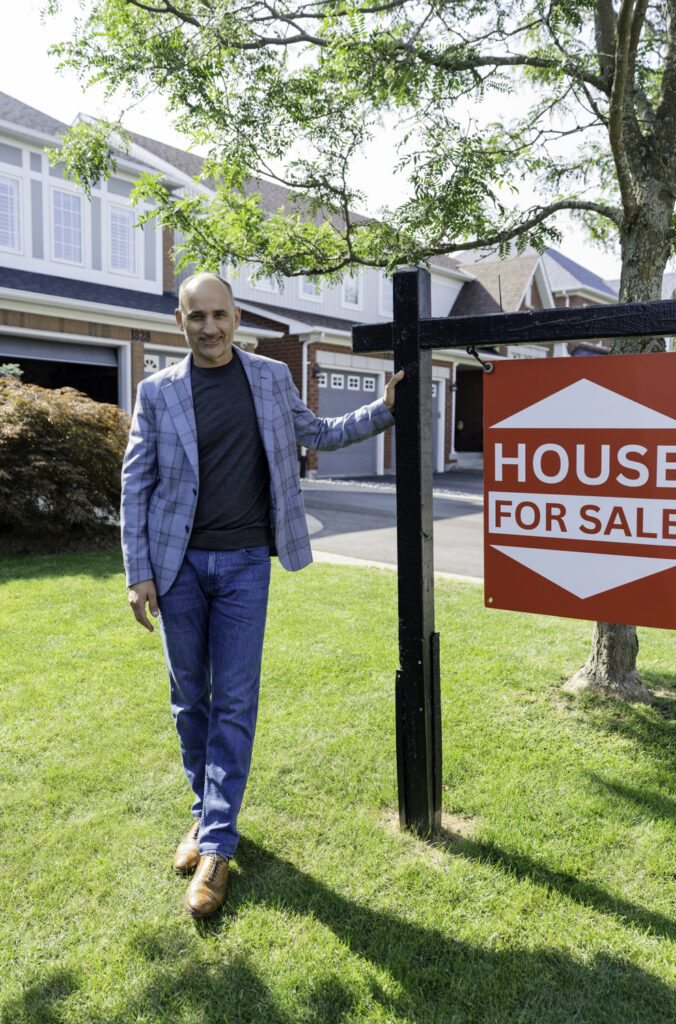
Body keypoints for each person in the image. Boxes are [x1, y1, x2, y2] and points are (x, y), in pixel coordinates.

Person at [121, 272, 403, 919]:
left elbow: (318, 433)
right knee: (188, 697)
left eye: (220, 315)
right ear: (180, 321)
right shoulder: (157, 391)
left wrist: (382, 408)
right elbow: (135, 484)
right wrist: (138, 571)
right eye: (198, 317)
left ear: (237, 317)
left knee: (235, 701)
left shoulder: (271, 378)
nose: (210, 327)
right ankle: (202, 813)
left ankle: (216, 846)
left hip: (247, 563)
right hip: (176, 569)